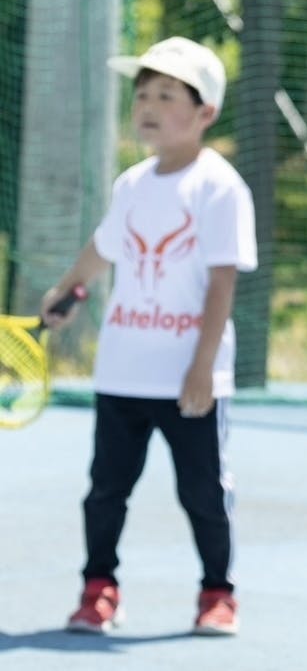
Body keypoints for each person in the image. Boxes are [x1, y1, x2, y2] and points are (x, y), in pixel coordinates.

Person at [43, 36, 257, 637]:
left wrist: (202, 367)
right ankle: (98, 591)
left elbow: (222, 283)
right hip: (122, 372)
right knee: (104, 491)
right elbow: (103, 248)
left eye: (166, 95)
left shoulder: (219, 187)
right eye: (142, 95)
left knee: (203, 493)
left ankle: (217, 594)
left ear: (205, 112)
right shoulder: (132, 184)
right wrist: (66, 290)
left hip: (189, 378)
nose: (148, 107)